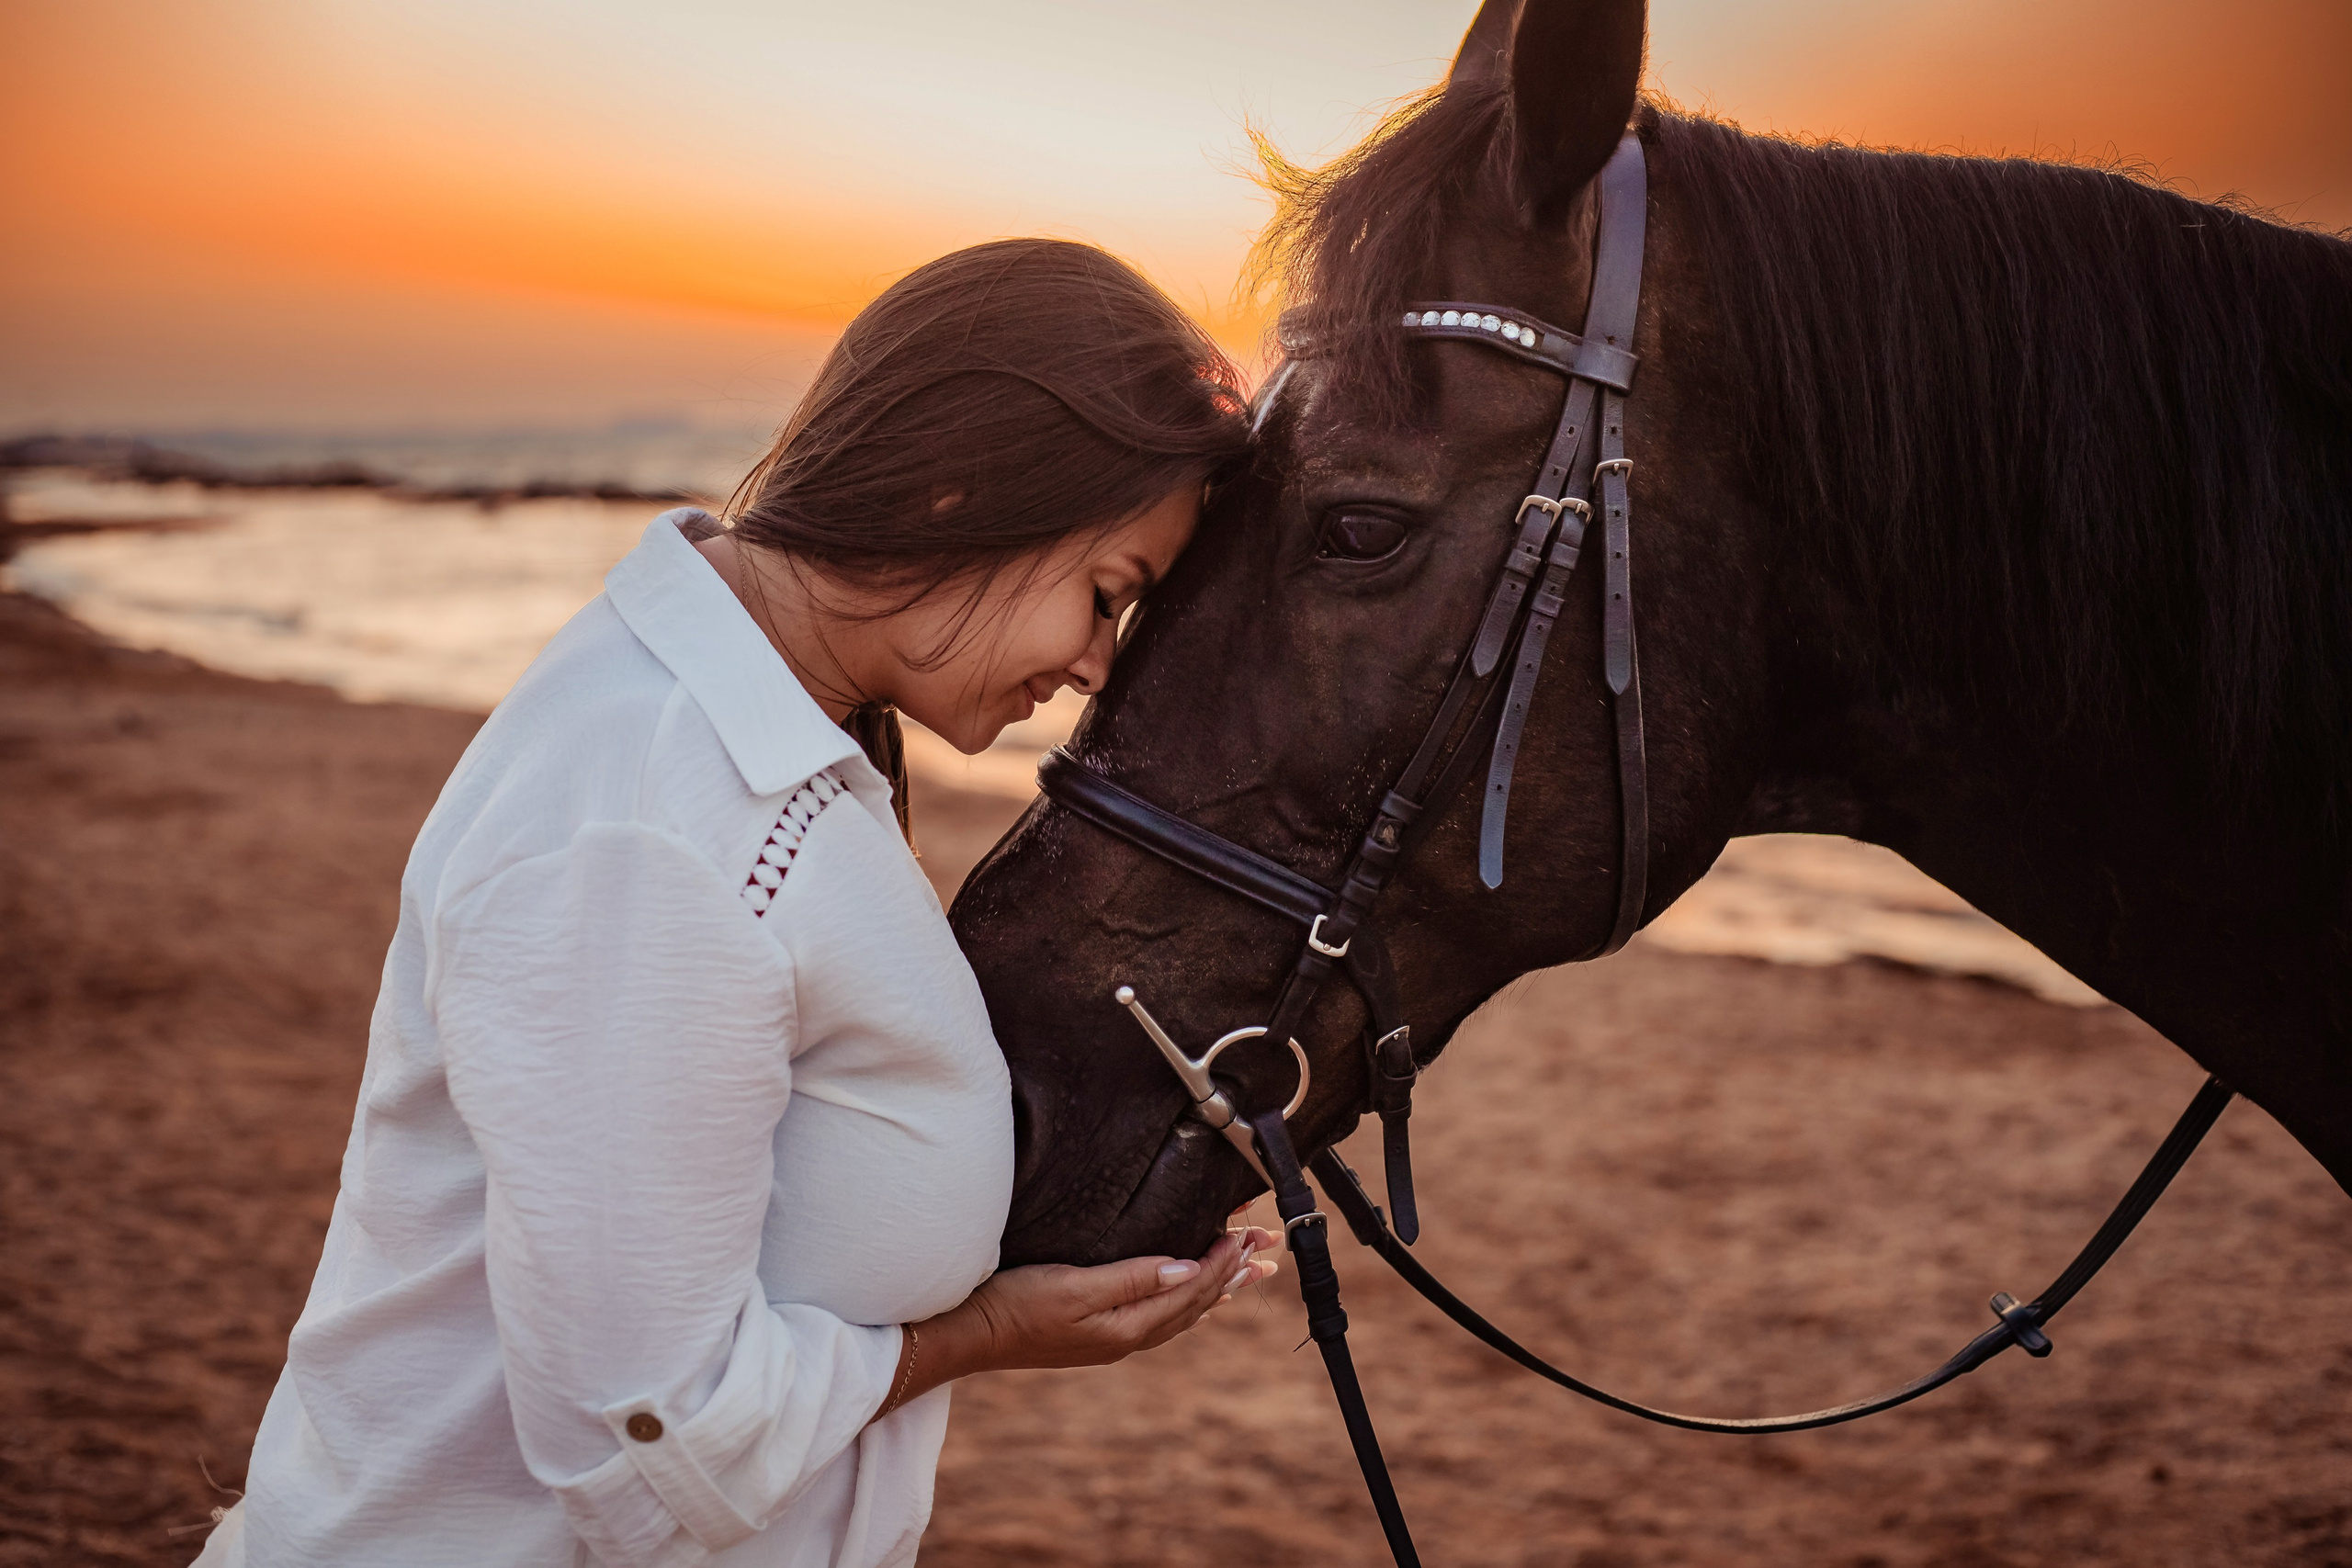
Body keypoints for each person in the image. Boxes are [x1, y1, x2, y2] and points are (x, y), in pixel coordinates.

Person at [194, 238, 1278, 1568]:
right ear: (961, 493)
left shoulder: (763, 734)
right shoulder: (655, 826)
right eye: (1108, 596)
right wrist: (986, 1338)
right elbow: (646, 1448)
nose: (1097, 666)